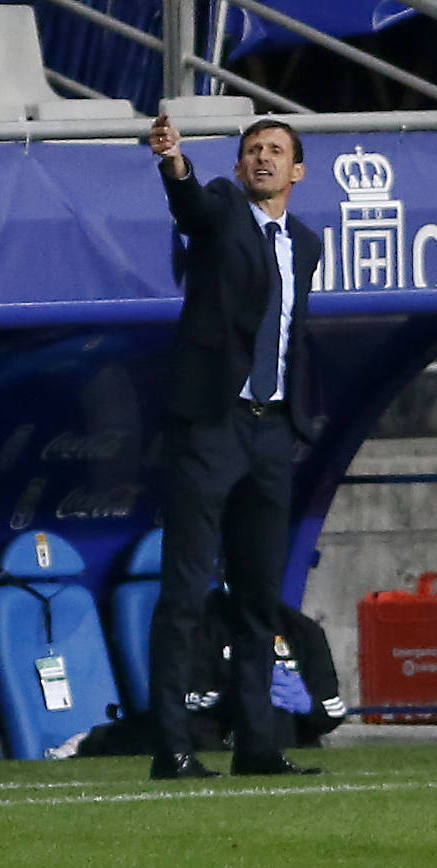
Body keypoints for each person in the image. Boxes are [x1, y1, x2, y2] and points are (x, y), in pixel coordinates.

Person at [145, 114, 323, 780]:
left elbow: (292, 334)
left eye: (276, 151)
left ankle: (256, 742)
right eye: (253, 150)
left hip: (273, 430)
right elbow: (190, 206)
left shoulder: (305, 243)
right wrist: (175, 163)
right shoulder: (222, 206)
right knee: (187, 589)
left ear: (297, 170)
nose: (263, 159)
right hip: (213, 425)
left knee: (257, 596)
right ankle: (174, 744)